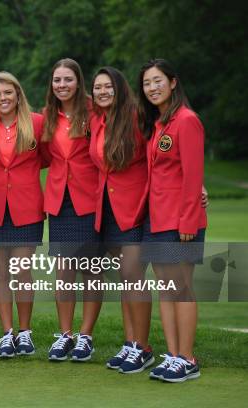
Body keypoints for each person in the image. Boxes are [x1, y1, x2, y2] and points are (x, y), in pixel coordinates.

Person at [137, 59, 206, 382]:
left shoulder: (187, 120)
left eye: (157, 81)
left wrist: (189, 222)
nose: (152, 88)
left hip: (180, 223)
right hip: (156, 219)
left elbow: (193, 177)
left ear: (173, 82)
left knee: (181, 288)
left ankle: (188, 358)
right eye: (147, 83)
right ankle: (174, 355)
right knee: (165, 288)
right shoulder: (160, 123)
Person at [88, 67, 153, 373]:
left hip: (134, 206)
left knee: (133, 276)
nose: (102, 92)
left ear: (120, 88)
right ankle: (130, 344)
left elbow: (158, 156)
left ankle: (143, 347)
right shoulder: (98, 119)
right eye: (97, 87)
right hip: (108, 207)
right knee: (126, 280)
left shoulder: (137, 116)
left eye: (108, 86)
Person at [0, 71, 45, 358]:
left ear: (18, 94)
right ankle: (7, 333)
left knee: (21, 269)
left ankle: (25, 332)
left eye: (8, 92)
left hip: (27, 205)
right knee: (1, 271)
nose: (3, 98)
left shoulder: (38, 123)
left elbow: (52, 157)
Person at [40, 58, 102, 362]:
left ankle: (85, 336)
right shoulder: (46, 116)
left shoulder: (95, 111)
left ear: (79, 81)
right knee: (64, 272)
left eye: (67, 79)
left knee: (91, 272)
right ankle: (65, 335)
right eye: (56, 80)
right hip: (59, 201)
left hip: (89, 197)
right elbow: (38, 156)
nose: (61, 85)